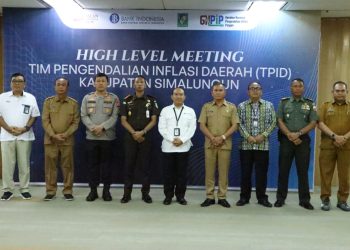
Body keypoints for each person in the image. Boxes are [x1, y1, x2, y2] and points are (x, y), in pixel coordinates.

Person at [275, 78, 318, 210]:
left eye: (300, 86)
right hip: (286, 139)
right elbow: (279, 120)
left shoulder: (310, 104)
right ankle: (280, 199)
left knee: (303, 171)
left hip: (302, 141)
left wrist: (298, 134)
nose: (297, 88)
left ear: (303, 88)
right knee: (283, 170)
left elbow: (313, 122)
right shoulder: (284, 102)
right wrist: (289, 135)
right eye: (295, 86)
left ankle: (304, 200)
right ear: (291, 88)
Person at [0, 73, 40, 201]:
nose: (17, 83)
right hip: (7, 136)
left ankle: (24, 189)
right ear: (10, 83)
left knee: (24, 164)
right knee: (7, 165)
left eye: (20, 81)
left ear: (24, 84)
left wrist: (24, 129)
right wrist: (8, 129)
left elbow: (34, 116)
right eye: (14, 81)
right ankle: (8, 190)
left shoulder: (31, 98)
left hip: (25, 136)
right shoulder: (2, 97)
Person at [198, 81, 239, 208]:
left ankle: (222, 197)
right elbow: (202, 125)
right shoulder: (206, 107)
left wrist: (222, 137)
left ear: (225, 92)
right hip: (210, 144)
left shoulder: (231, 107)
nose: (218, 92)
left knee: (223, 172)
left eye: (220, 90)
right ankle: (209, 197)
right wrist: (212, 138)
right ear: (212, 92)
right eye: (215, 90)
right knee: (209, 172)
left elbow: (235, 125)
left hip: (225, 144)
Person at [119, 75, 159, 204]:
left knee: (145, 166)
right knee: (128, 166)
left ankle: (145, 194)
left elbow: (154, 120)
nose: (139, 84)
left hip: (146, 137)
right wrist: (134, 133)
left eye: (142, 82)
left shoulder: (152, 101)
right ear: (133, 85)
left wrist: (142, 132)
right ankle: (127, 194)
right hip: (130, 138)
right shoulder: (127, 101)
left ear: (145, 85)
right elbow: (123, 120)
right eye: (137, 82)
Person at [236, 81, 276, 208]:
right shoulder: (241, 106)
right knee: (245, 173)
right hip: (246, 145)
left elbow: (273, 123)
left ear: (261, 91)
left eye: (257, 88)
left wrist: (263, 135)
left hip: (262, 146)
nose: (255, 90)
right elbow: (238, 123)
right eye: (252, 88)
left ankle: (262, 198)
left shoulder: (269, 105)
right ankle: (244, 197)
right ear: (248, 91)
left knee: (261, 174)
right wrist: (248, 136)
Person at [81, 72, 119, 202]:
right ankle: (93, 191)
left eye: (103, 81)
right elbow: (84, 115)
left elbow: (115, 116)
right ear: (94, 83)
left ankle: (106, 191)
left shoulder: (114, 98)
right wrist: (93, 127)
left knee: (107, 166)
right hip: (91, 137)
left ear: (107, 83)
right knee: (92, 166)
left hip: (107, 138)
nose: (100, 83)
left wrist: (102, 127)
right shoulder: (87, 98)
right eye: (98, 81)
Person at [42, 77, 80, 201]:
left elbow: (75, 122)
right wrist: (54, 135)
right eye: (58, 84)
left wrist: (65, 134)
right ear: (55, 87)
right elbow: (45, 121)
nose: (61, 87)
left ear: (67, 87)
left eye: (63, 85)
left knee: (67, 166)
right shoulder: (48, 102)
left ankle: (68, 191)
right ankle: (50, 191)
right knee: (50, 167)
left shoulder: (73, 103)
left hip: (66, 140)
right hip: (50, 140)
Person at [158, 88, 197, 205]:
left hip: (184, 147)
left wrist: (182, 140)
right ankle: (168, 196)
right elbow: (162, 128)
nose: (178, 96)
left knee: (182, 174)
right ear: (172, 96)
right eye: (176, 94)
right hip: (168, 147)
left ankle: (180, 196)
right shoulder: (165, 110)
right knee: (168, 174)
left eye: (181, 94)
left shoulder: (190, 111)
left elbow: (192, 129)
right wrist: (172, 139)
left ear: (184, 97)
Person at [318, 81, 350, 211]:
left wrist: (344, 137)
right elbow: (319, 123)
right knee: (325, 174)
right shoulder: (325, 106)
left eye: (343, 91)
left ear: (347, 92)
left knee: (345, 175)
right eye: (337, 91)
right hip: (328, 146)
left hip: (346, 146)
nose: (340, 93)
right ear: (333, 92)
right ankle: (325, 199)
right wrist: (334, 136)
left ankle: (342, 201)